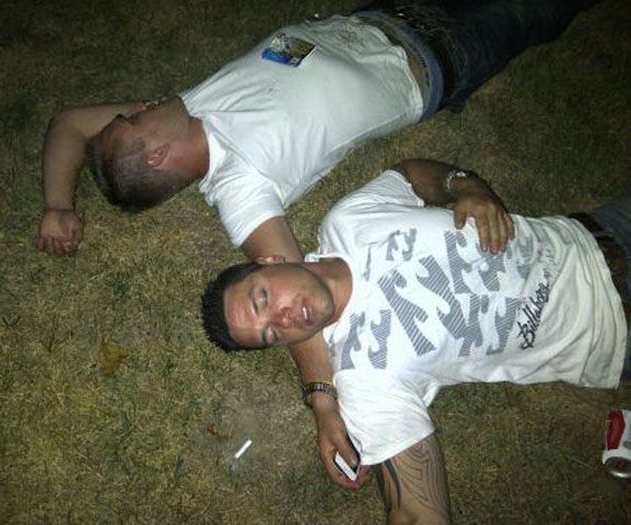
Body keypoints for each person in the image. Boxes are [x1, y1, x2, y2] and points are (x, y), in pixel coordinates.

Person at [36, 0, 600, 488]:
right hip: (437, 58)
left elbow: (67, 123)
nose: (136, 106)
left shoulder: (189, 105)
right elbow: (290, 289)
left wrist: (58, 206)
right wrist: (324, 404)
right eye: (132, 120)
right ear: (157, 155)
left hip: (379, 14)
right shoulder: (239, 188)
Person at [201, 158, 629, 524]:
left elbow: (409, 175)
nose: (285, 318)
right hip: (612, 325)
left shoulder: (347, 221)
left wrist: (466, 185)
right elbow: (415, 511)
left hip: (597, 230)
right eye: (272, 334)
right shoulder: (363, 378)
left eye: (264, 298)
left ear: (271, 260)